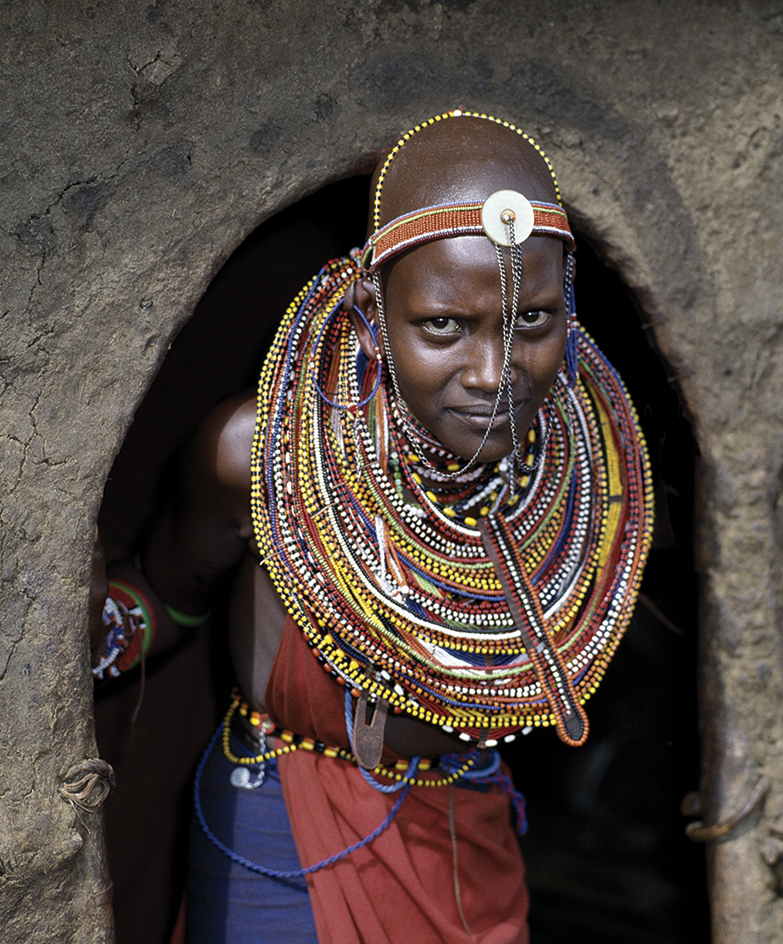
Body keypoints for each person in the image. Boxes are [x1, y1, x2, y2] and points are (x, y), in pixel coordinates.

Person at [91, 110, 654, 944]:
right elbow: (169, 593)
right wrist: (88, 637)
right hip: (280, 836)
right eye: (443, 326)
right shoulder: (261, 452)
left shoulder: (586, 473)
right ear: (368, 305)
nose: (494, 376)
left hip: (467, 833)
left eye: (531, 320)